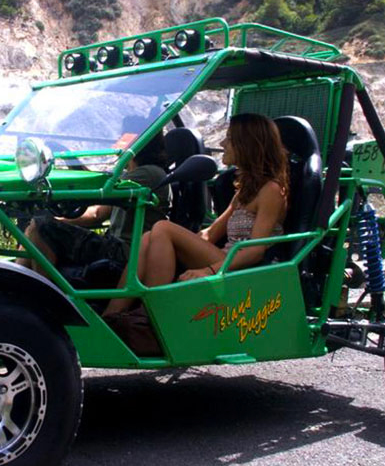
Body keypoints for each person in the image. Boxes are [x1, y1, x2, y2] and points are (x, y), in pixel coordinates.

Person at [104, 113, 288, 316]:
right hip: (227, 260)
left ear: (247, 144)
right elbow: (210, 234)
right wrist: (180, 241)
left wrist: (208, 271)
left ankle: (151, 316)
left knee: (162, 228)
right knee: (148, 237)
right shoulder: (244, 190)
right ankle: (112, 317)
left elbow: (255, 251)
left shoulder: (270, 190)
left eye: (229, 138)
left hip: (249, 271)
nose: (222, 142)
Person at [19, 129, 170, 285]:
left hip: (125, 252)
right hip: (113, 245)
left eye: (125, 137)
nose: (119, 141)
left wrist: (50, 222)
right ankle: (16, 283)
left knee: (40, 226)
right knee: (36, 227)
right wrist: (57, 220)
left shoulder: (148, 173)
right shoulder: (131, 174)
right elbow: (97, 212)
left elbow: (99, 190)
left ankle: (41, 294)